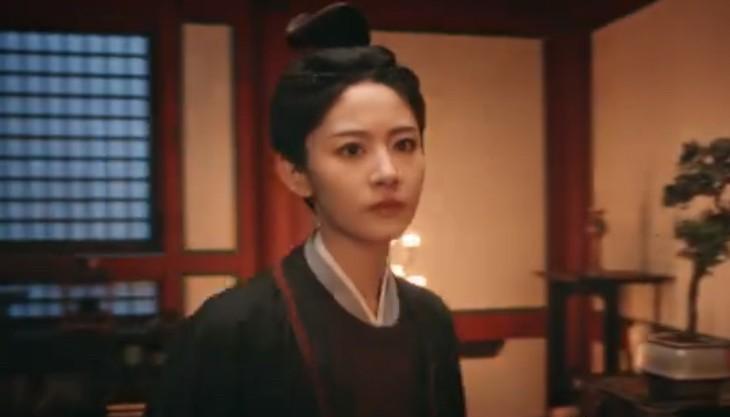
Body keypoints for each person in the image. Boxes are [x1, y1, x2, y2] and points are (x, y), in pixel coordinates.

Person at [148, 3, 465, 417]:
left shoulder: (432, 320)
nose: (388, 172)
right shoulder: (229, 330)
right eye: (352, 150)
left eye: (404, 144)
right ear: (295, 173)